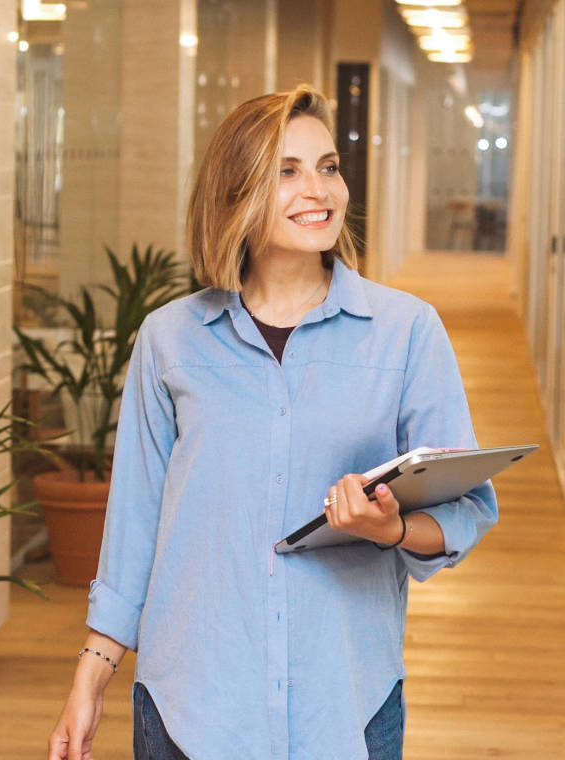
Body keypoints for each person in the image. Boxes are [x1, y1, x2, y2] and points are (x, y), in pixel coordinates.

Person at [47, 84, 498, 760]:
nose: (318, 189)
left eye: (328, 166)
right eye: (285, 171)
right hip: (190, 707)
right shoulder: (171, 339)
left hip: (345, 704)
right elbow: (135, 520)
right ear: (236, 192)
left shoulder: (406, 332)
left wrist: (392, 527)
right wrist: (92, 673)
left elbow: (465, 509)